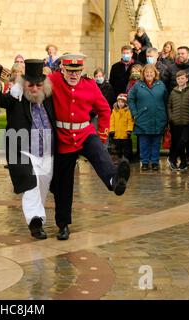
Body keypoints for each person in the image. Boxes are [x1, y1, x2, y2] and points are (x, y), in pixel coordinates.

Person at [47, 54, 131, 240]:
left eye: (77, 71)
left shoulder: (90, 85)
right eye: (70, 71)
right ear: (62, 69)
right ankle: (63, 225)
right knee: (63, 184)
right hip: (63, 137)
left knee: (100, 155)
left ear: (82, 71)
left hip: (85, 131)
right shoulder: (53, 80)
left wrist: (102, 134)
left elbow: (104, 109)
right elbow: (36, 85)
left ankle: (114, 181)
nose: (74, 75)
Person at [0, 59, 56, 240]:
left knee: (42, 186)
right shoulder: (16, 98)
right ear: (24, 84)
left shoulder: (49, 98)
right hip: (23, 150)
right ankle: (35, 222)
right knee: (31, 184)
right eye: (30, 85)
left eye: (38, 85)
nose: (34, 89)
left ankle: (37, 217)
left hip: (47, 151)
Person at [128, 64, 168, 171]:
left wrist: (165, 115)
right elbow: (130, 99)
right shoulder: (137, 85)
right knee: (144, 142)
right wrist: (134, 112)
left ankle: (155, 162)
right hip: (142, 118)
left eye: (151, 72)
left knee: (156, 142)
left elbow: (166, 100)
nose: (149, 74)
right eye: (147, 73)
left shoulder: (161, 85)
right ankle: (145, 162)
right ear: (143, 74)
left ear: (155, 74)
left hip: (158, 118)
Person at [167, 70, 189, 171]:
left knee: (184, 140)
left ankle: (172, 157)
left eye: (182, 78)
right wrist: (171, 117)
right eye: (178, 78)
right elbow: (169, 105)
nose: (180, 80)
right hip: (176, 122)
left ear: (186, 79)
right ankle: (183, 162)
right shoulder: (173, 91)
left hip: (187, 121)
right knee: (178, 141)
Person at [110, 94, 134, 162]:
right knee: (118, 148)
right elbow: (112, 121)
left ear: (125, 103)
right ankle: (119, 158)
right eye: (119, 102)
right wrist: (112, 130)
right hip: (117, 134)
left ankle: (126, 159)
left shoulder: (128, 111)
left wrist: (129, 130)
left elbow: (130, 121)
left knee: (126, 148)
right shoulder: (114, 111)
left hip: (125, 134)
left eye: (122, 102)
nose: (120, 104)